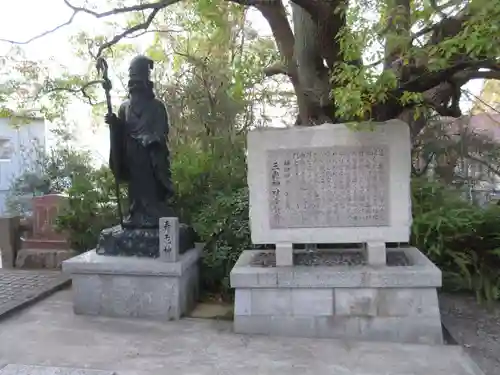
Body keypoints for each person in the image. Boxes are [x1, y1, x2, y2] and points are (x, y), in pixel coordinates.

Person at [104, 55, 174, 229]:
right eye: (132, 79)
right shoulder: (124, 107)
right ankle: (136, 213)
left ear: (146, 81)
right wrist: (114, 123)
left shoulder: (157, 106)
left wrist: (151, 139)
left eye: (138, 79)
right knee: (134, 188)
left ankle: (153, 212)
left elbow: (162, 130)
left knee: (149, 186)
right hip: (131, 153)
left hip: (148, 154)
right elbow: (121, 129)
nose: (134, 84)